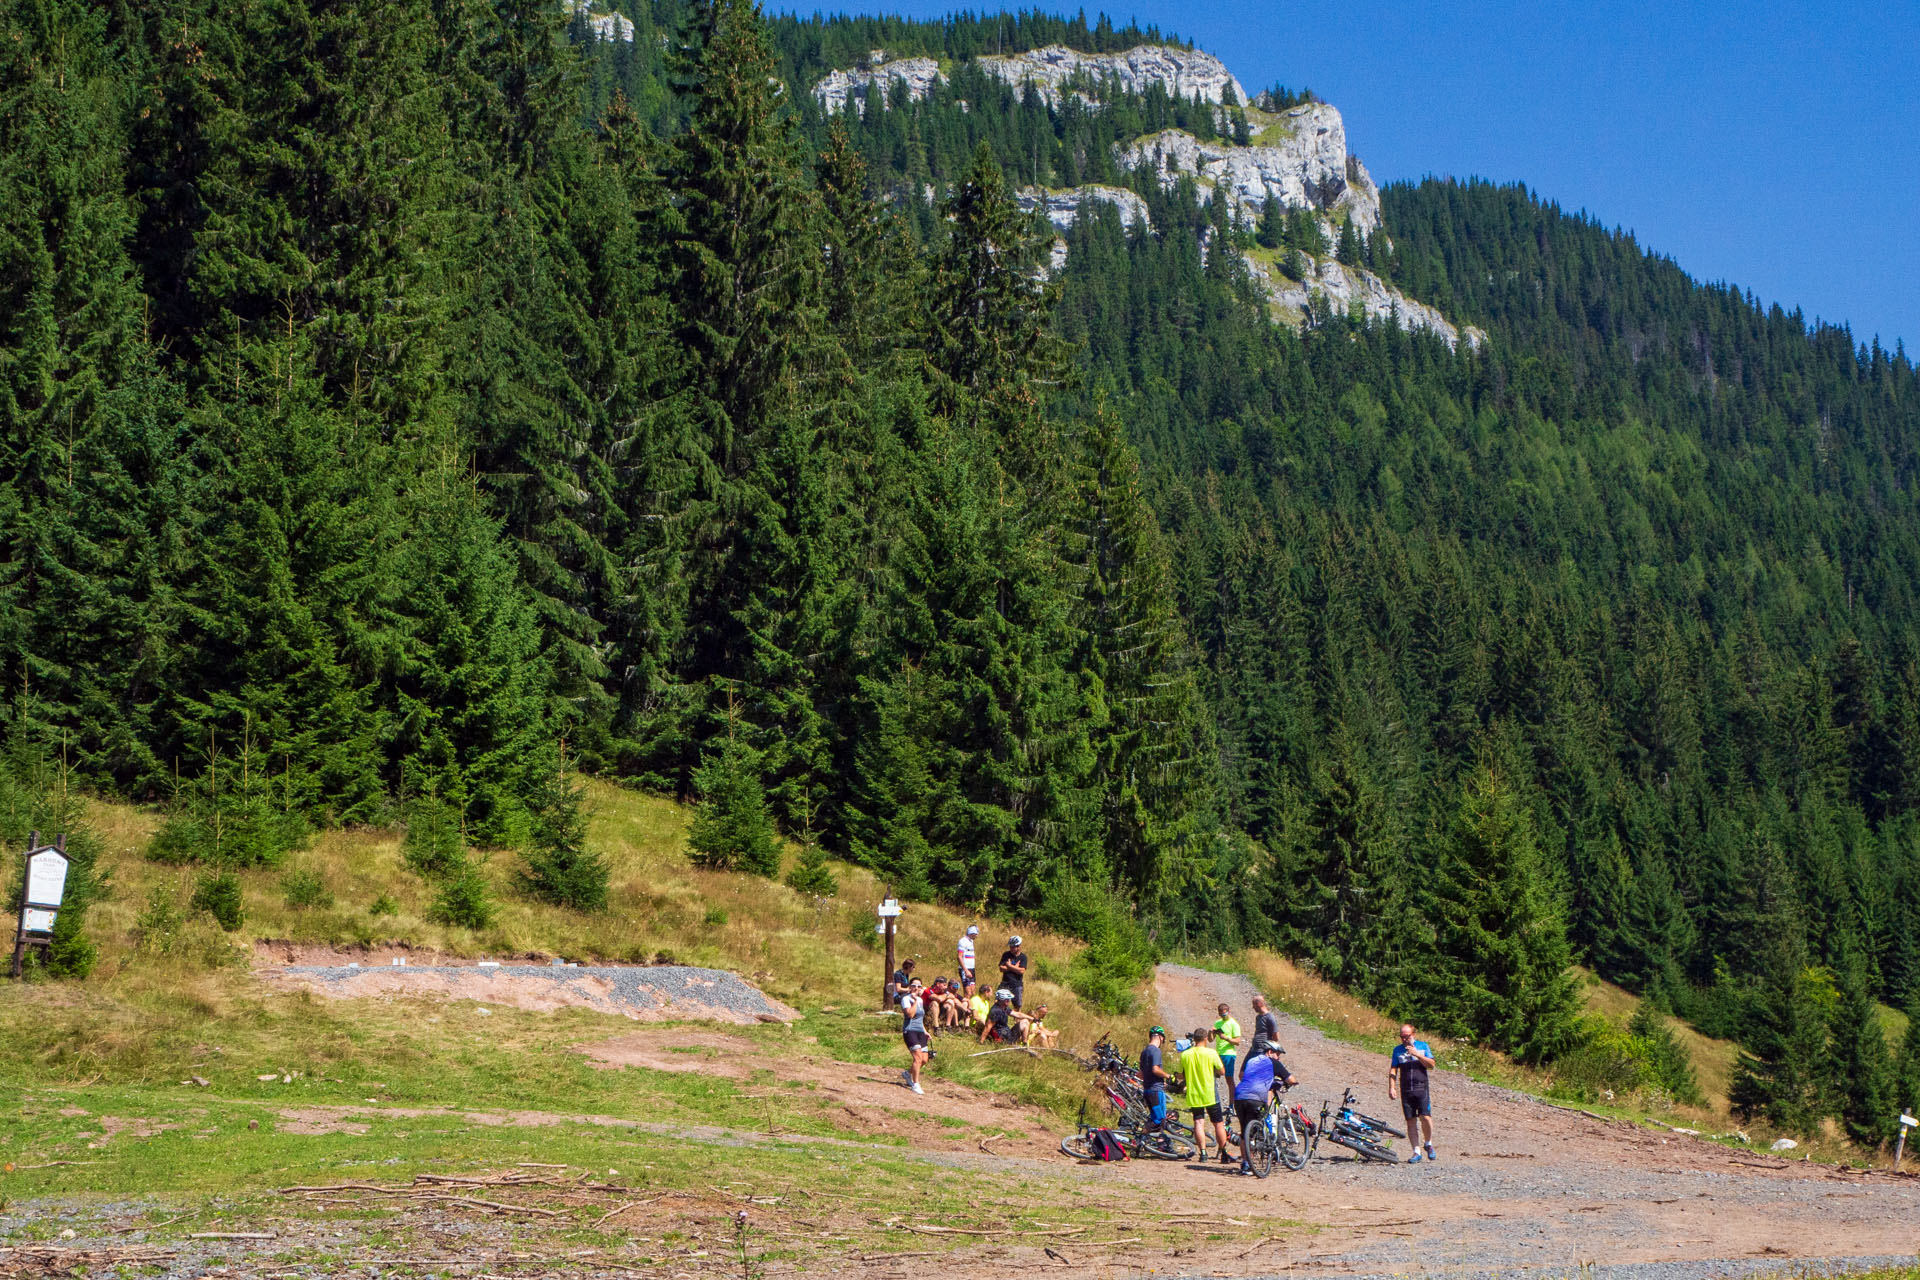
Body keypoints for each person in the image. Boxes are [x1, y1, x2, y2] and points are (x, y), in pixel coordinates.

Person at [1232, 1044, 1298, 1175]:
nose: (1278, 1058)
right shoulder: (1273, 1062)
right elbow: (1290, 1079)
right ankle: (1253, 1160)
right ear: (1269, 1052)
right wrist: (1294, 1082)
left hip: (1239, 1096)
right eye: (1277, 1054)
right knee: (1253, 1131)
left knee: (1245, 1131)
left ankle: (1245, 1163)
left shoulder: (1251, 1060)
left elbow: (1242, 1076)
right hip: (1255, 1098)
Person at [1178, 1026, 1230, 1163]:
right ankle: (1224, 1152)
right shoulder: (1211, 1053)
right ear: (1206, 1038)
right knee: (1218, 1123)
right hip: (1210, 1092)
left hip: (1194, 1092)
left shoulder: (1185, 1055)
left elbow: (1182, 1074)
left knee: (1198, 1122)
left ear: (1194, 1039)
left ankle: (1203, 1153)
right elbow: (1222, 1071)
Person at [1388, 1022, 1436, 1163]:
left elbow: (1432, 1065)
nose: (1404, 1039)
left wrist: (1416, 1054)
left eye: (1407, 1036)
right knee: (1410, 1121)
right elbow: (1393, 1070)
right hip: (1406, 1089)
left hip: (1421, 1087)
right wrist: (1392, 1087)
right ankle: (1416, 1151)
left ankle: (1428, 1143)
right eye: (1402, 1036)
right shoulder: (1397, 1050)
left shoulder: (1423, 1046)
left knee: (1425, 1117)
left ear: (1413, 1034)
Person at [899, 980, 929, 1095]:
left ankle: (907, 1073)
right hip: (910, 1031)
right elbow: (910, 1014)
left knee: (924, 1059)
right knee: (917, 1058)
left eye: (919, 986)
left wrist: (925, 1031)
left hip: (920, 1031)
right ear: (909, 987)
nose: (916, 988)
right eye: (914, 986)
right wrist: (915, 1001)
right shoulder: (906, 999)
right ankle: (916, 1084)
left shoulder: (921, 1000)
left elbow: (920, 1018)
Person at [1139, 1027, 1172, 1131]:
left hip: (1147, 1089)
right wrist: (1168, 1076)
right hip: (1156, 1090)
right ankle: (1140, 1138)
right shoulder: (1156, 1051)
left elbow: (1140, 1074)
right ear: (1161, 1038)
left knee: (1158, 1119)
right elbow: (1155, 1069)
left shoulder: (1144, 1051)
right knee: (1158, 1119)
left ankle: (1157, 1144)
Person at [998, 936, 1029, 1010]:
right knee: (999, 1002)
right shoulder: (1006, 955)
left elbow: (1021, 971)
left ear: (1018, 946)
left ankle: (1017, 1021)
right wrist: (1015, 967)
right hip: (1005, 983)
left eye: (1013, 947)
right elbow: (1001, 968)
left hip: (1017, 985)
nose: (1011, 948)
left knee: (1017, 1006)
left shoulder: (1023, 957)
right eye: (1010, 946)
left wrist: (1009, 966)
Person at [1214, 1002, 1242, 1085]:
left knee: (1229, 1079)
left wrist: (1226, 1038)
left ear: (1228, 1012)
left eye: (1224, 1013)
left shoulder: (1234, 1024)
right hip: (1218, 1053)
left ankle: (1232, 1098)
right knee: (1213, 1076)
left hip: (1228, 1054)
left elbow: (1237, 1041)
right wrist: (1211, 1032)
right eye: (1221, 1014)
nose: (1223, 1015)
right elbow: (1211, 1039)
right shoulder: (1217, 1023)